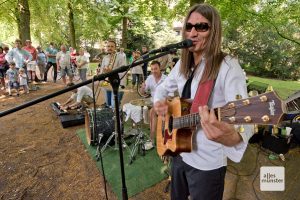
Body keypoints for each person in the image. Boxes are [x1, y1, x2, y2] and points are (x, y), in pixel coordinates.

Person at [153, 4, 254, 200]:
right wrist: (159, 103)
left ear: (213, 31)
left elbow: (245, 120)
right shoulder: (183, 64)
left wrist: (231, 137)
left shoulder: (227, 66)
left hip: (207, 163)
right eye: (189, 27)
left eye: (202, 27)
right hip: (179, 152)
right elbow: (161, 88)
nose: (193, 32)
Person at [141, 60, 167, 144]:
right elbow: (143, 92)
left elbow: (171, 95)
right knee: (143, 109)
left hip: (164, 102)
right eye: (152, 69)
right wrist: (142, 88)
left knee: (152, 112)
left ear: (160, 68)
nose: (153, 71)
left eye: (155, 69)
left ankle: (151, 139)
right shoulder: (149, 78)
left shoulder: (166, 79)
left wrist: (161, 103)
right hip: (153, 102)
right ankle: (153, 133)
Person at [98, 40, 126, 108]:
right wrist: (101, 77)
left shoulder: (120, 57)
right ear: (106, 48)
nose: (110, 48)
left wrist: (112, 71)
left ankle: (117, 118)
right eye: (108, 46)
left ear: (115, 48)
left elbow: (124, 71)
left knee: (114, 106)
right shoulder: (105, 58)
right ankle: (112, 118)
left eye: (112, 46)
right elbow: (102, 70)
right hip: (107, 84)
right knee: (108, 104)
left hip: (117, 85)